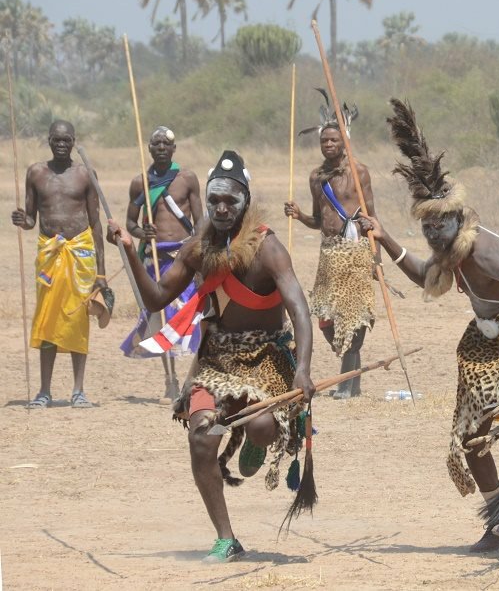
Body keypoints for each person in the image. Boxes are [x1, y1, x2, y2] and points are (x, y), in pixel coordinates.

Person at [359, 99, 499, 553]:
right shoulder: (450, 249)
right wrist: (384, 236)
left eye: (440, 224)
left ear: (458, 218)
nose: (433, 234)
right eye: (427, 227)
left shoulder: (482, 250)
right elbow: (424, 277)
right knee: (469, 438)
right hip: (482, 344)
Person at [108, 150, 315, 563]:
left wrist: (304, 370)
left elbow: (299, 308)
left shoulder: (268, 247)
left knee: (258, 426)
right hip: (216, 357)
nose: (221, 208)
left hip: (267, 354)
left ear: (245, 200)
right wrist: (130, 250)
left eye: (230, 200)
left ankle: (259, 439)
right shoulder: (196, 249)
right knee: (201, 437)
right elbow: (156, 299)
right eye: (215, 199)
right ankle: (226, 537)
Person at [284, 92, 376, 400]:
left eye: (334, 141)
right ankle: (353, 377)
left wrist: (374, 256)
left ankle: (346, 385)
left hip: (354, 254)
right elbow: (318, 220)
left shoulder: (358, 172)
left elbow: (370, 215)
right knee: (325, 320)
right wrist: (299, 217)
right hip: (328, 254)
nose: (329, 145)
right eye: (325, 141)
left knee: (352, 318)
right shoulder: (316, 177)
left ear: (344, 141)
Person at [11, 120, 107, 409]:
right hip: (50, 254)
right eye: (56, 139)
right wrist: (22, 220)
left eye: (67, 140)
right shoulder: (36, 173)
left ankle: (78, 391)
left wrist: (101, 272)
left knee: (78, 318)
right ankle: (44, 391)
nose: (62, 144)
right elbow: (30, 218)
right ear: (49, 141)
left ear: (74, 141)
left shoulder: (85, 174)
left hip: (80, 252)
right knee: (48, 319)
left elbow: (95, 223)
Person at [120, 126, 202, 401]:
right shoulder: (140, 183)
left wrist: (201, 249)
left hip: (185, 256)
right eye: (156, 144)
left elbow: (200, 220)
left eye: (166, 144)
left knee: (194, 316)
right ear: (149, 149)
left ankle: (195, 378)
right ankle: (171, 377)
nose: (161, 149)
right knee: (162, 318)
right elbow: (131, 222)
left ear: (174, 148)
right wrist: (143, 233)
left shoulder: (187, 179)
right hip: (156, 257)